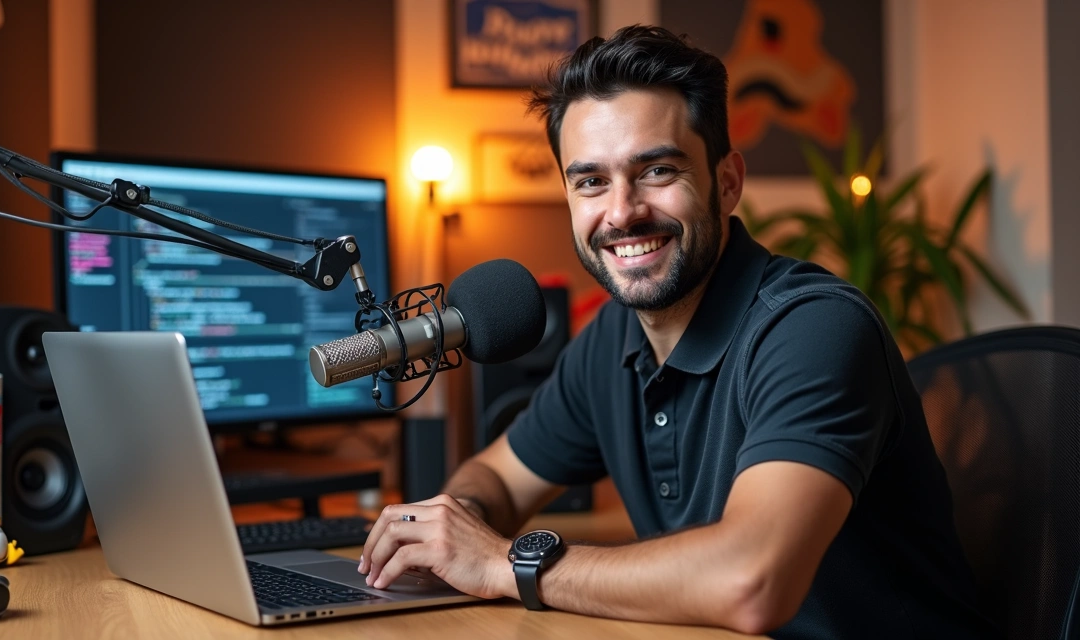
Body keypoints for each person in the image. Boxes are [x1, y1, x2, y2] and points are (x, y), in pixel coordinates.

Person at [359, 25, 999, 638]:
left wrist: (506, 563)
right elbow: (497, 477)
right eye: (590, 182)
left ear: (726, 184)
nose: (621, 212)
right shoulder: (612, 340)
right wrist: (457, 528)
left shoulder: (814, 327)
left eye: (658, 171)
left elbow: (753, 580)